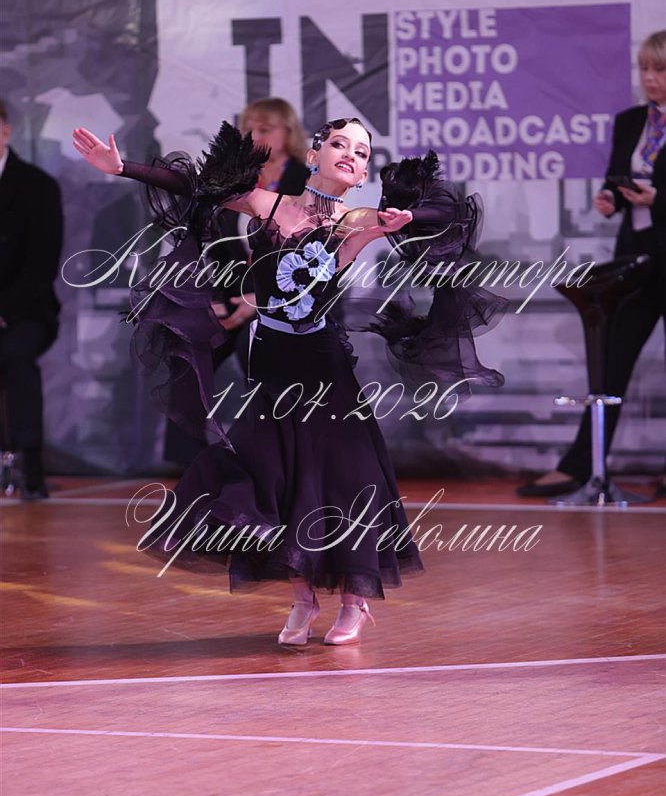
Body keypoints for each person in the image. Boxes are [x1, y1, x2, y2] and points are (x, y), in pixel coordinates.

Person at [73, 116, 503, 644]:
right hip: (272, 363)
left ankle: (354, 602)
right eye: (340, 144)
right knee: (271, 480)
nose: (351, 155)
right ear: (315, 154)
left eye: (362, 153)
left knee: (346, 481)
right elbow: (195, 186)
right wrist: (123, 168)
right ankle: (302, 599)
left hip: (324, 367)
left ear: (364, 173)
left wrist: (409, 215)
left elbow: (446, 214)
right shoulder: (267, 204)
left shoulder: (357, 219)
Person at [518, 30, 666, 499]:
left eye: (660, 70)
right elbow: (616, 180)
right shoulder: (631, 122)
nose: (650, 79)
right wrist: (610, 200)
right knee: (611, 365)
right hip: (637, 262)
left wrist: (658, 199)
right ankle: (583, 466)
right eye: (645, 69)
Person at [164, 98, 309, 466]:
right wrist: (214, 298)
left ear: (288, 134)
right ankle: (191, 460)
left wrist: (258, 300)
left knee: (256, 353)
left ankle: (273, 456)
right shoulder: (235, 177)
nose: (254, 136)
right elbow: (215, 242)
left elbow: (308, 253)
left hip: (288, 300)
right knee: (190, 348)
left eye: (265, 129)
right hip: (233, 294)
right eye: (249, 129)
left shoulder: (305, 180)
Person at [0, 99, 64, 500]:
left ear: (5, 131)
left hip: (27, 310)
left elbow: (42, 265)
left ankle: (29, 463)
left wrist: (4, 310)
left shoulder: (37, 186)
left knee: (15, 356)